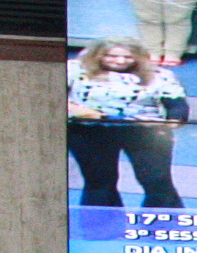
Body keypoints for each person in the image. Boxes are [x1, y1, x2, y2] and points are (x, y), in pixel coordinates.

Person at [64, 39, 186, 210]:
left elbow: (177, 106)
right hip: (89, 129)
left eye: (128, 57)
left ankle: (163, 222)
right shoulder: (75, 69)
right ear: (97, 55)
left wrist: (172, 121)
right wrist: (81, 111)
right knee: (99, 181)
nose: (120, 61)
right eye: (111, 56)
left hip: (145, 132)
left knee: (156, 180)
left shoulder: (160, 74)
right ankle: (102, 224)